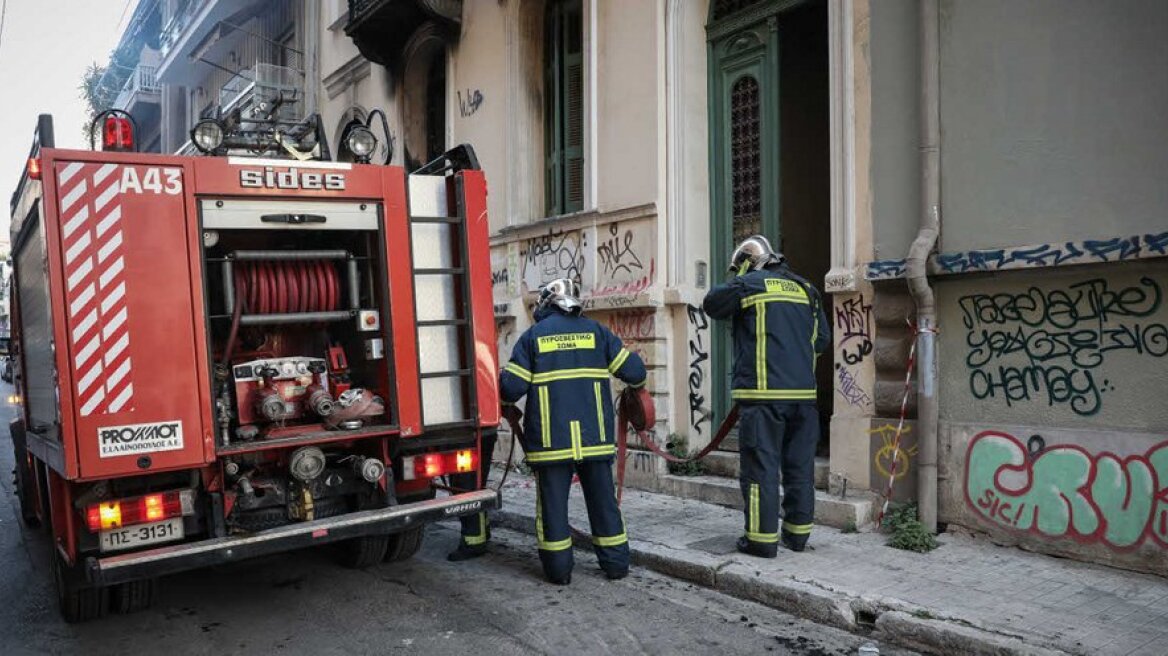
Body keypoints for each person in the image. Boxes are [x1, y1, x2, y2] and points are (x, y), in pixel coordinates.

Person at [498, 278, 647, 584]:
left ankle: (559, 571)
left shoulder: (533, 337)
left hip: (552, 443)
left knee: (552, 510)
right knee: (604, 504)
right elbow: (635, 372)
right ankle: (616, 566)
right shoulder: (597, 333)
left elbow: (511, 389)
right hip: (594, 440)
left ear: (546, 304)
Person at [702, 236, 830, 557]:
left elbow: (712, 304)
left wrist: (741, 281)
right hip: (803, 399)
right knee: (800, 469)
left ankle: (761, 541)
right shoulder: (806, 290)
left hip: (763, 398)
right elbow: (821, 340)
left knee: (761, 469)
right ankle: (797, 537)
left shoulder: (749, 285)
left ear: (747, 262)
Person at [446, 430, 498, 561]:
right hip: (483, 432)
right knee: (477, 485)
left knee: (466, 489)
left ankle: (473, 542)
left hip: (465, 435)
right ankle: (482, 534)